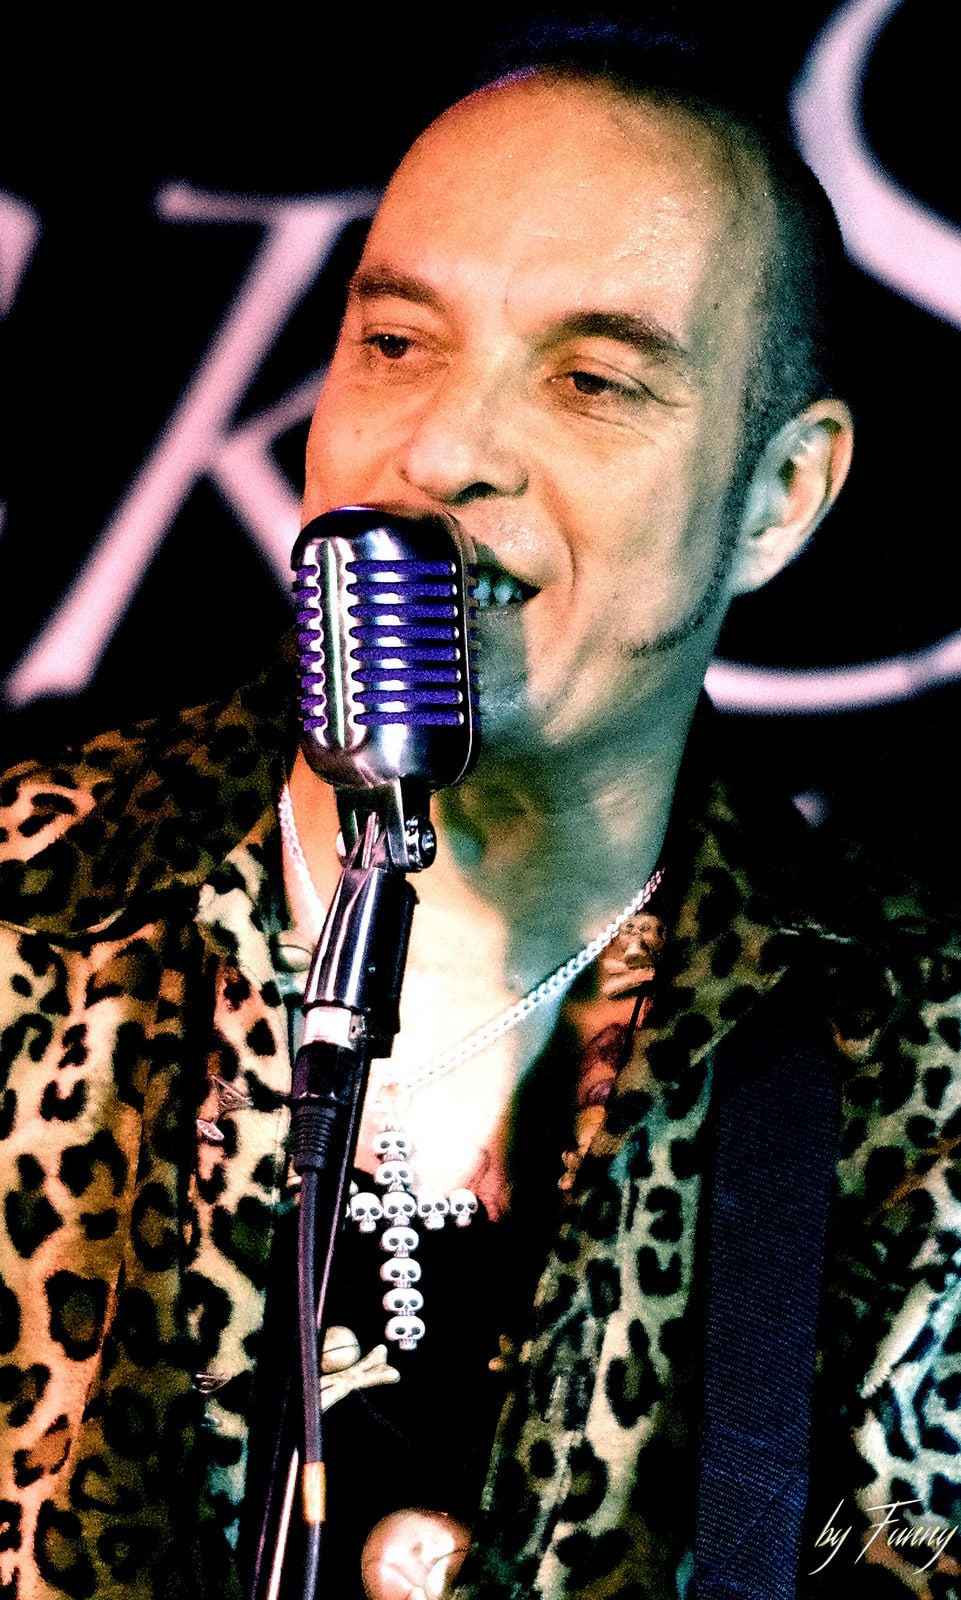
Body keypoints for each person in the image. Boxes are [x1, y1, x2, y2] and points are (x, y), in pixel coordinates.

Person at [1, 21, 959, 1600]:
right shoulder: (35, 908)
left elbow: (912, 1540)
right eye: (395, 344)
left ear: (779, 494)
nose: (440, 450)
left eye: (590, 381)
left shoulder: (904, 1062)